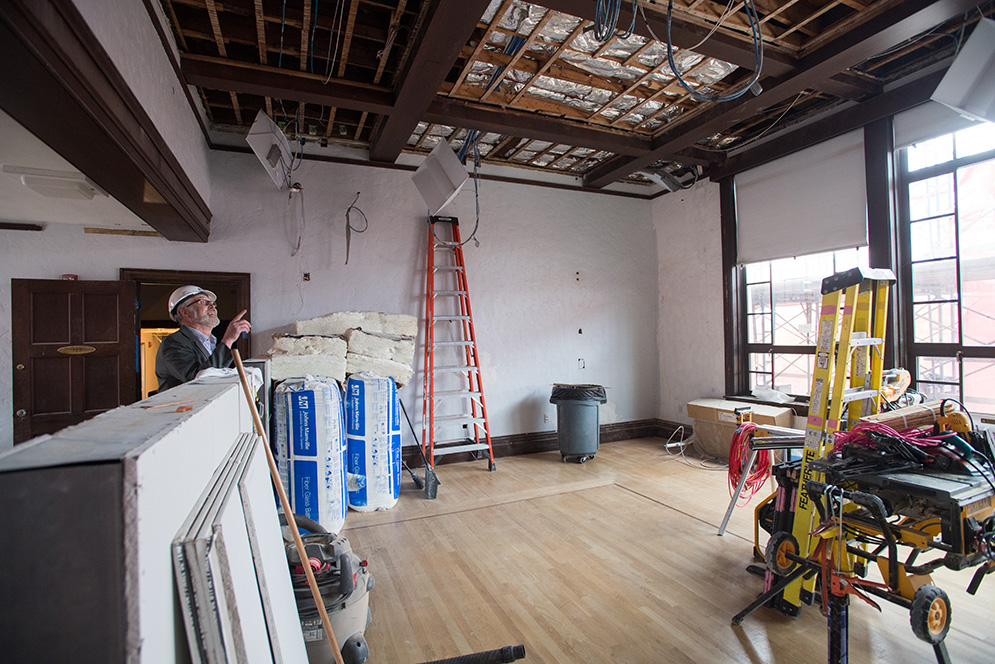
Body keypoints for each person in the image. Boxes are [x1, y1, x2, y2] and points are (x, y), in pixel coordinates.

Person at [155, 285, 251, 392]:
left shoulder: (209, 342)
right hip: (185, 408)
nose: (212, 306)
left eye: (213, 303)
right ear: (184, 312)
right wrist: (228, 340)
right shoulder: (173, 343)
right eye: (203, 302)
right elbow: (199, 379)